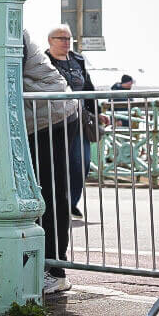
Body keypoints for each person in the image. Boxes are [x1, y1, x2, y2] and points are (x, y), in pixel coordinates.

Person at [23, 29, 79, 296]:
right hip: (42, 115)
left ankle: (55, 270)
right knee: (44, 193)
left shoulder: (3, 27)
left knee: (51, 193)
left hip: (49, 117)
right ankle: (46, 265)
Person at [44, 25, 96, 218]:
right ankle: (59, 204)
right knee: (57, 164)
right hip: (55, 120)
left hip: (80, 119)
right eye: (62, 38)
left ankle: (71, 202)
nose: (67, 42)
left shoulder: (77, 60)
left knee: (81, 162)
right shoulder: (44, 60)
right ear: (51, 41)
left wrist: (96, 112)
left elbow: (88, 87)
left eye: (69, 38)